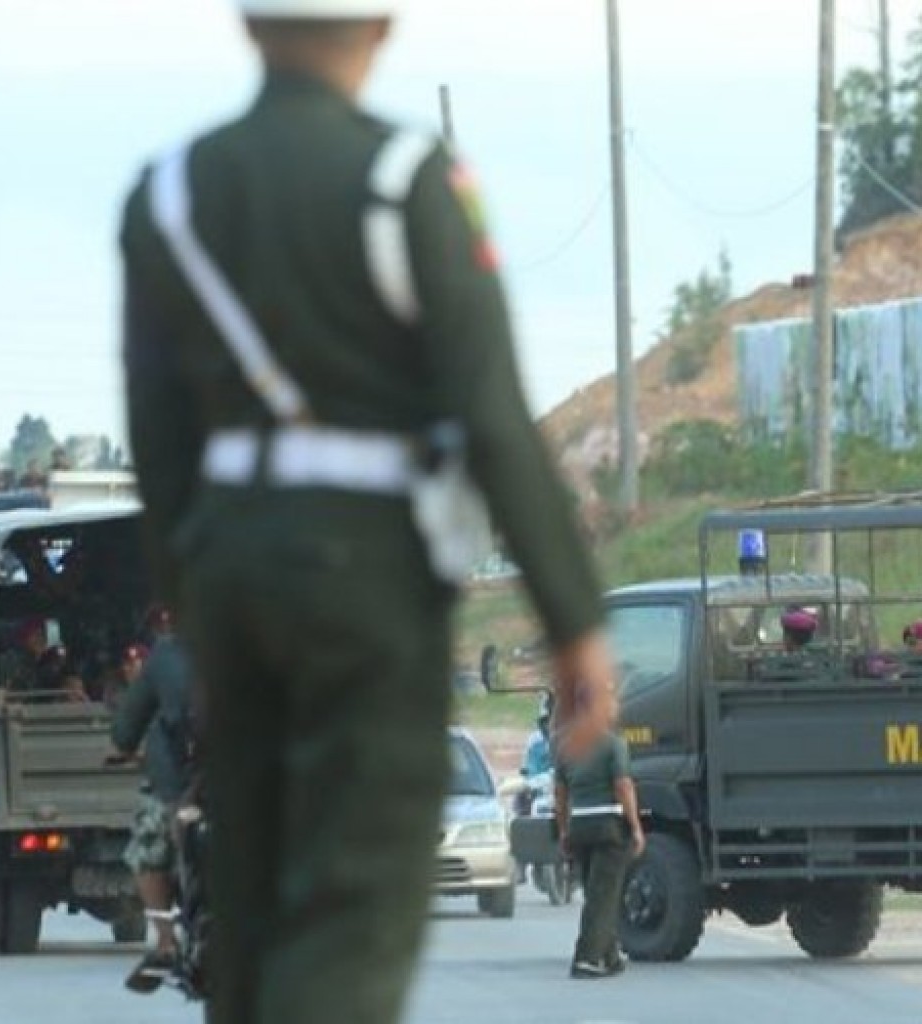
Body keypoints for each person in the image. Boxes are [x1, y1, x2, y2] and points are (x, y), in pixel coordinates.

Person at [120, 3, 616, 1021]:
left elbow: (158, 450)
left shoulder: (166, 195)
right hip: (367, 581)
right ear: (379, 27)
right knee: (354, 907)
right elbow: (490, 413)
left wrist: (195, 601)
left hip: (228, 581)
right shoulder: (408, 182)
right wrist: (571, 621)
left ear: (249, 24)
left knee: (250, 898)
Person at [111, 625, 194, 994]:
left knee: (147, 850)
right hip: (248, 780)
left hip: (178, 782)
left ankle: (165, 942)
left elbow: (127, 730)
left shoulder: (168, 653)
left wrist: (125, 745)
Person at [556, 729, 645, 979]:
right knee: (603, 896)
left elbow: (560, 793)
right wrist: (636, 826)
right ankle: (587, 958)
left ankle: (610, 956)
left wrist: (563, 831)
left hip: (579, 826)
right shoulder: (614, 744)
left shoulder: (566, 745)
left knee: (595, 893)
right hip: (608, 825)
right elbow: (623, 784)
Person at [0, 616, 48, 694]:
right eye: (37, 634)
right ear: (25, 637)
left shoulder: (48, 662)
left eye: (43, 634)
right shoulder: (11, 660)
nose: (41, 638)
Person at [103, 642, 150, 712]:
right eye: (125, 664)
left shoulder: (157, 688)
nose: (125, 668)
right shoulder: (115, 686)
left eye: (131, 664)